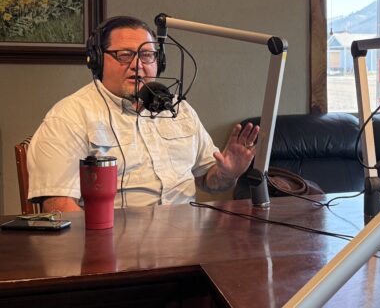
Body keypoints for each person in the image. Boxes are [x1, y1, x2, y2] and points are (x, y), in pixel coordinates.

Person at [27, 16, 259, 212]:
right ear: (97, 61)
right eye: (124, 55)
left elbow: (209, 181)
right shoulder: (68, 117)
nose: (137, 65)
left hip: (188, 238)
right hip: (114, 244)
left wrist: (228, 173)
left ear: (159, 62)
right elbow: (58, 205)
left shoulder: (179, 109)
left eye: (147, 55)